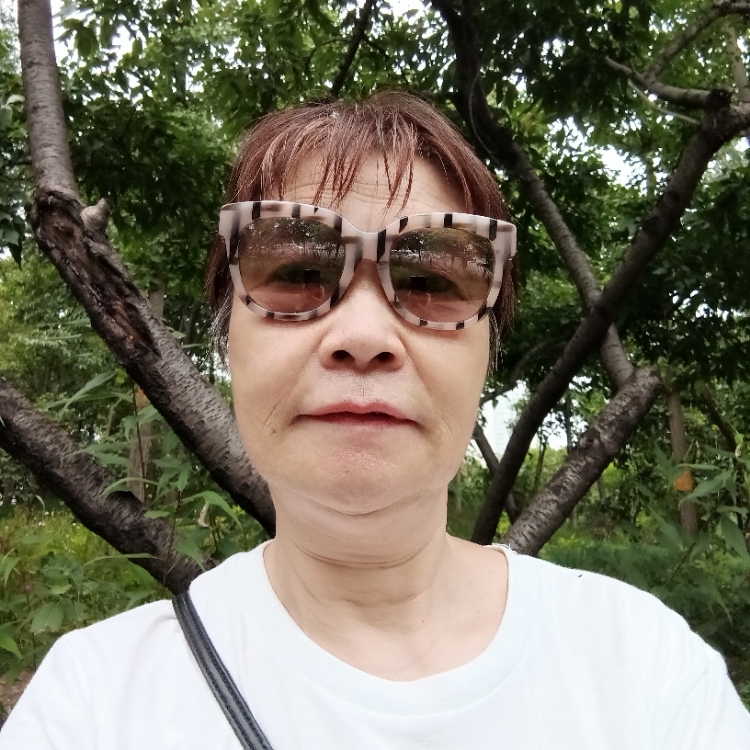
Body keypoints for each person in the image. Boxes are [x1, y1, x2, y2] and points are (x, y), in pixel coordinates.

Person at [1, 92, 749, 749]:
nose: (363, 335)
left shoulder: (646, 669)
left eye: (430, 280)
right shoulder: (92, 705)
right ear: (228, 339)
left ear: (487, 352)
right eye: (297, 273)